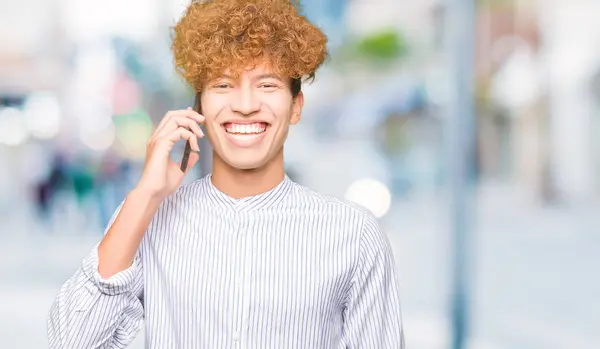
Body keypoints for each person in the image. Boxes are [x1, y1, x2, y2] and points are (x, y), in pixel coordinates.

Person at [47, 0, 405, 348]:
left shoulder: (355, 236)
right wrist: (144, 195)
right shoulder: (147, 219)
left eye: (267, 85)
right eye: (223, 85)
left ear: (296, 106)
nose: (246, 105)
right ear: (198, 105)